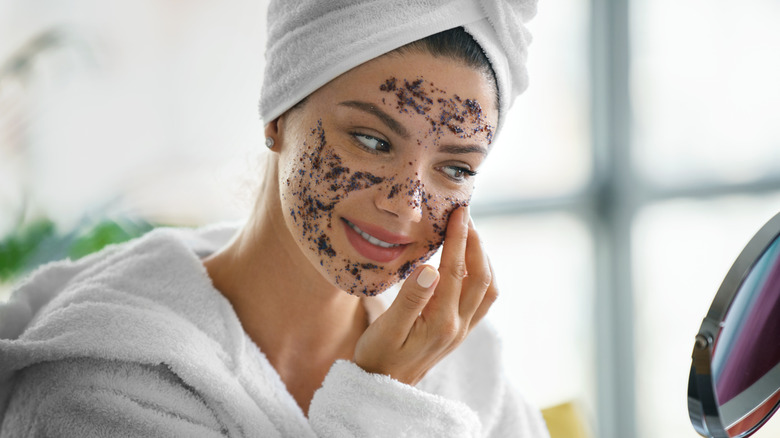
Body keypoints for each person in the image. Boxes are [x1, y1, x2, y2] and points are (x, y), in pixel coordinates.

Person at [0, 0, 549, 436]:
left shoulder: (465, 366)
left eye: (454, 170)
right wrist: (381, 395)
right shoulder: (100, 384)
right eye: (370, 139)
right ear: (278, 115)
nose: (406, 204)